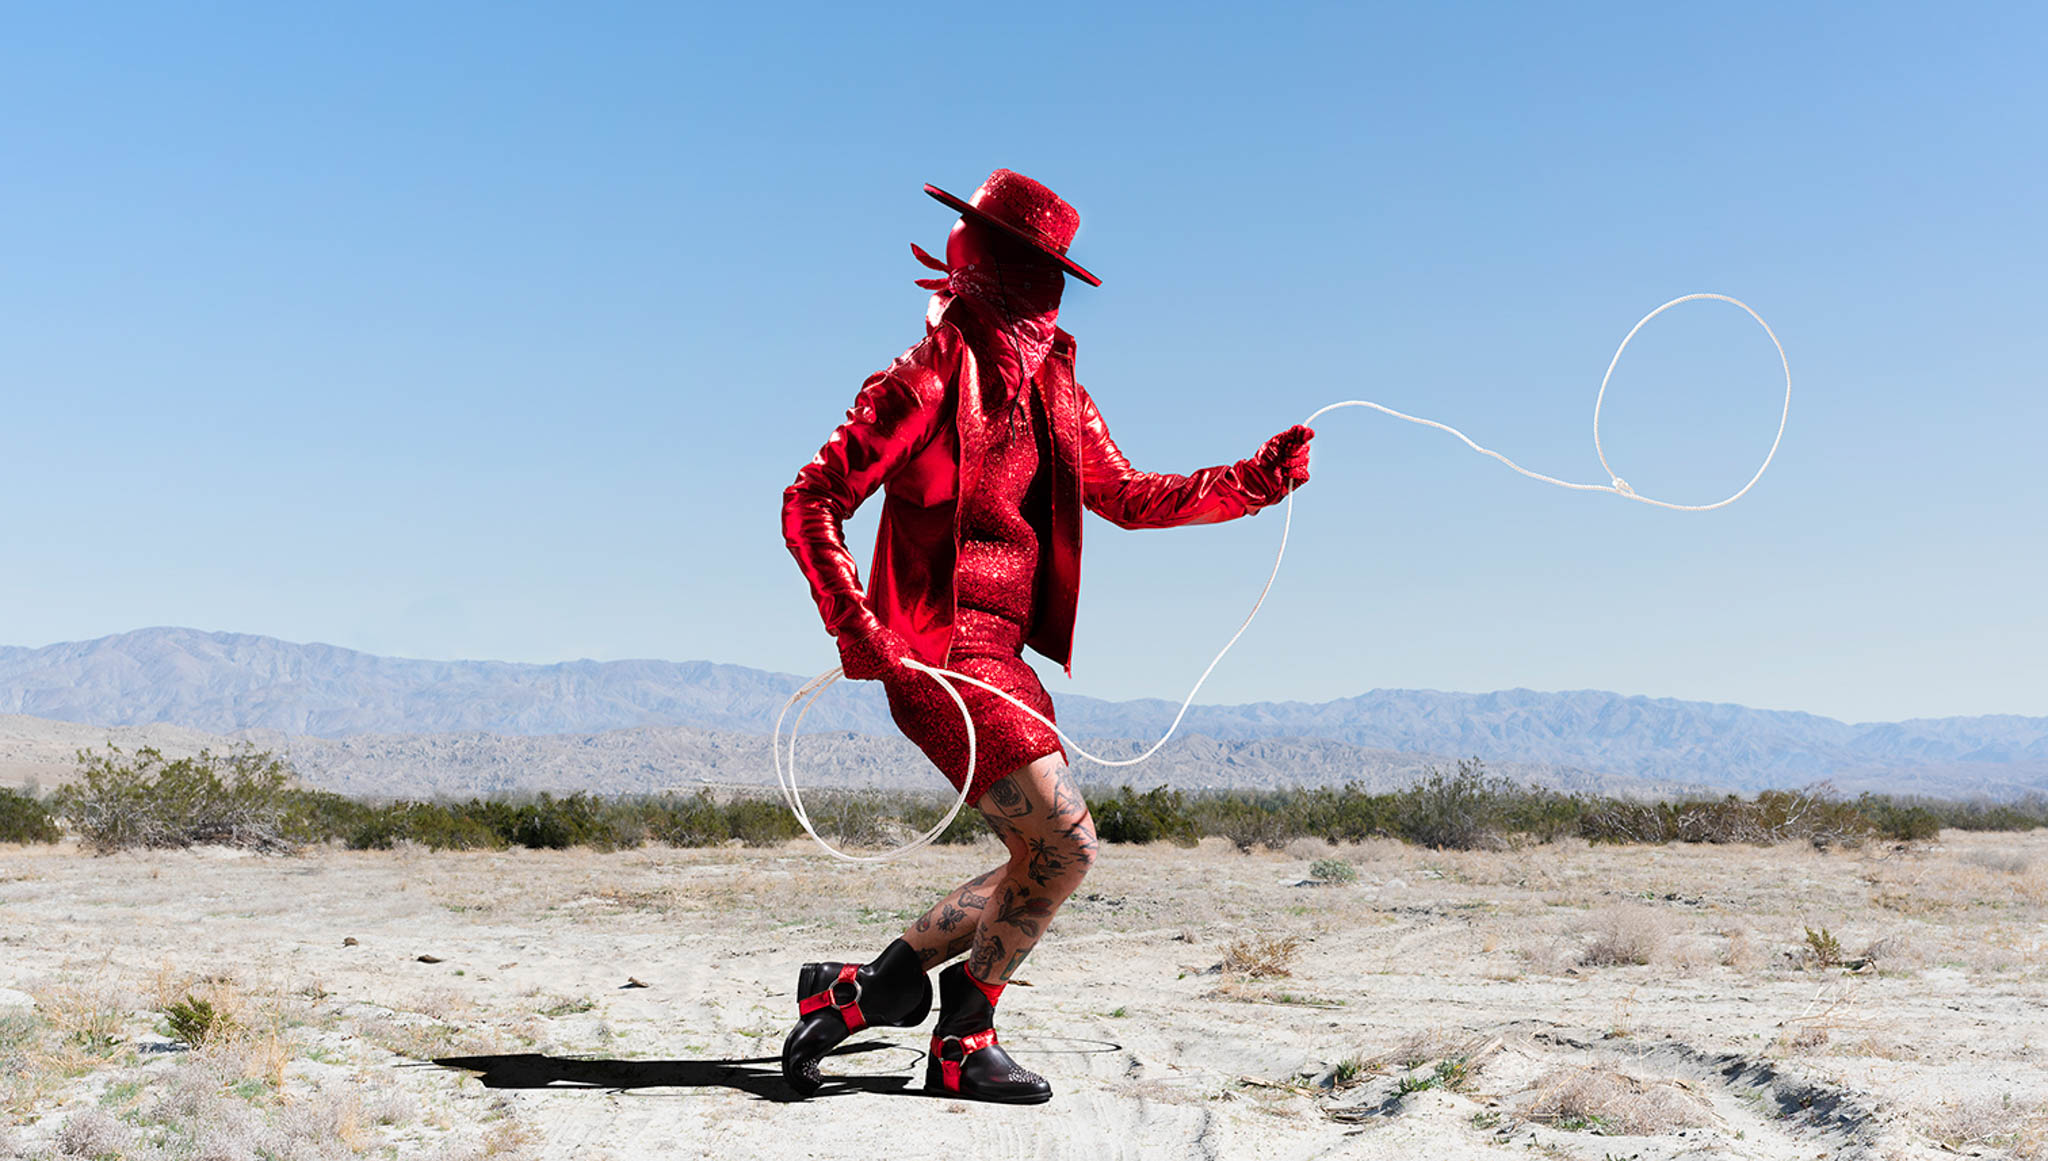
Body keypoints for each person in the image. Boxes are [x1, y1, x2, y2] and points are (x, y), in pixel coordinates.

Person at [779, 169, 1313, 1104]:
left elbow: (1129, 495)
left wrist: (1253, 482)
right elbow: (812, 497)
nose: (1047, 287)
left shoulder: (1058, 391)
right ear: (981, 261)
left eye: (1055, 270)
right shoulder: (923, 377)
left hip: (1006, 659)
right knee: (1066, 845)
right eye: (1032, 265)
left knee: (1041, 854)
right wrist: (854, 622)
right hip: (935, 654)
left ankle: (872, 987)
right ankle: (961, 1037)